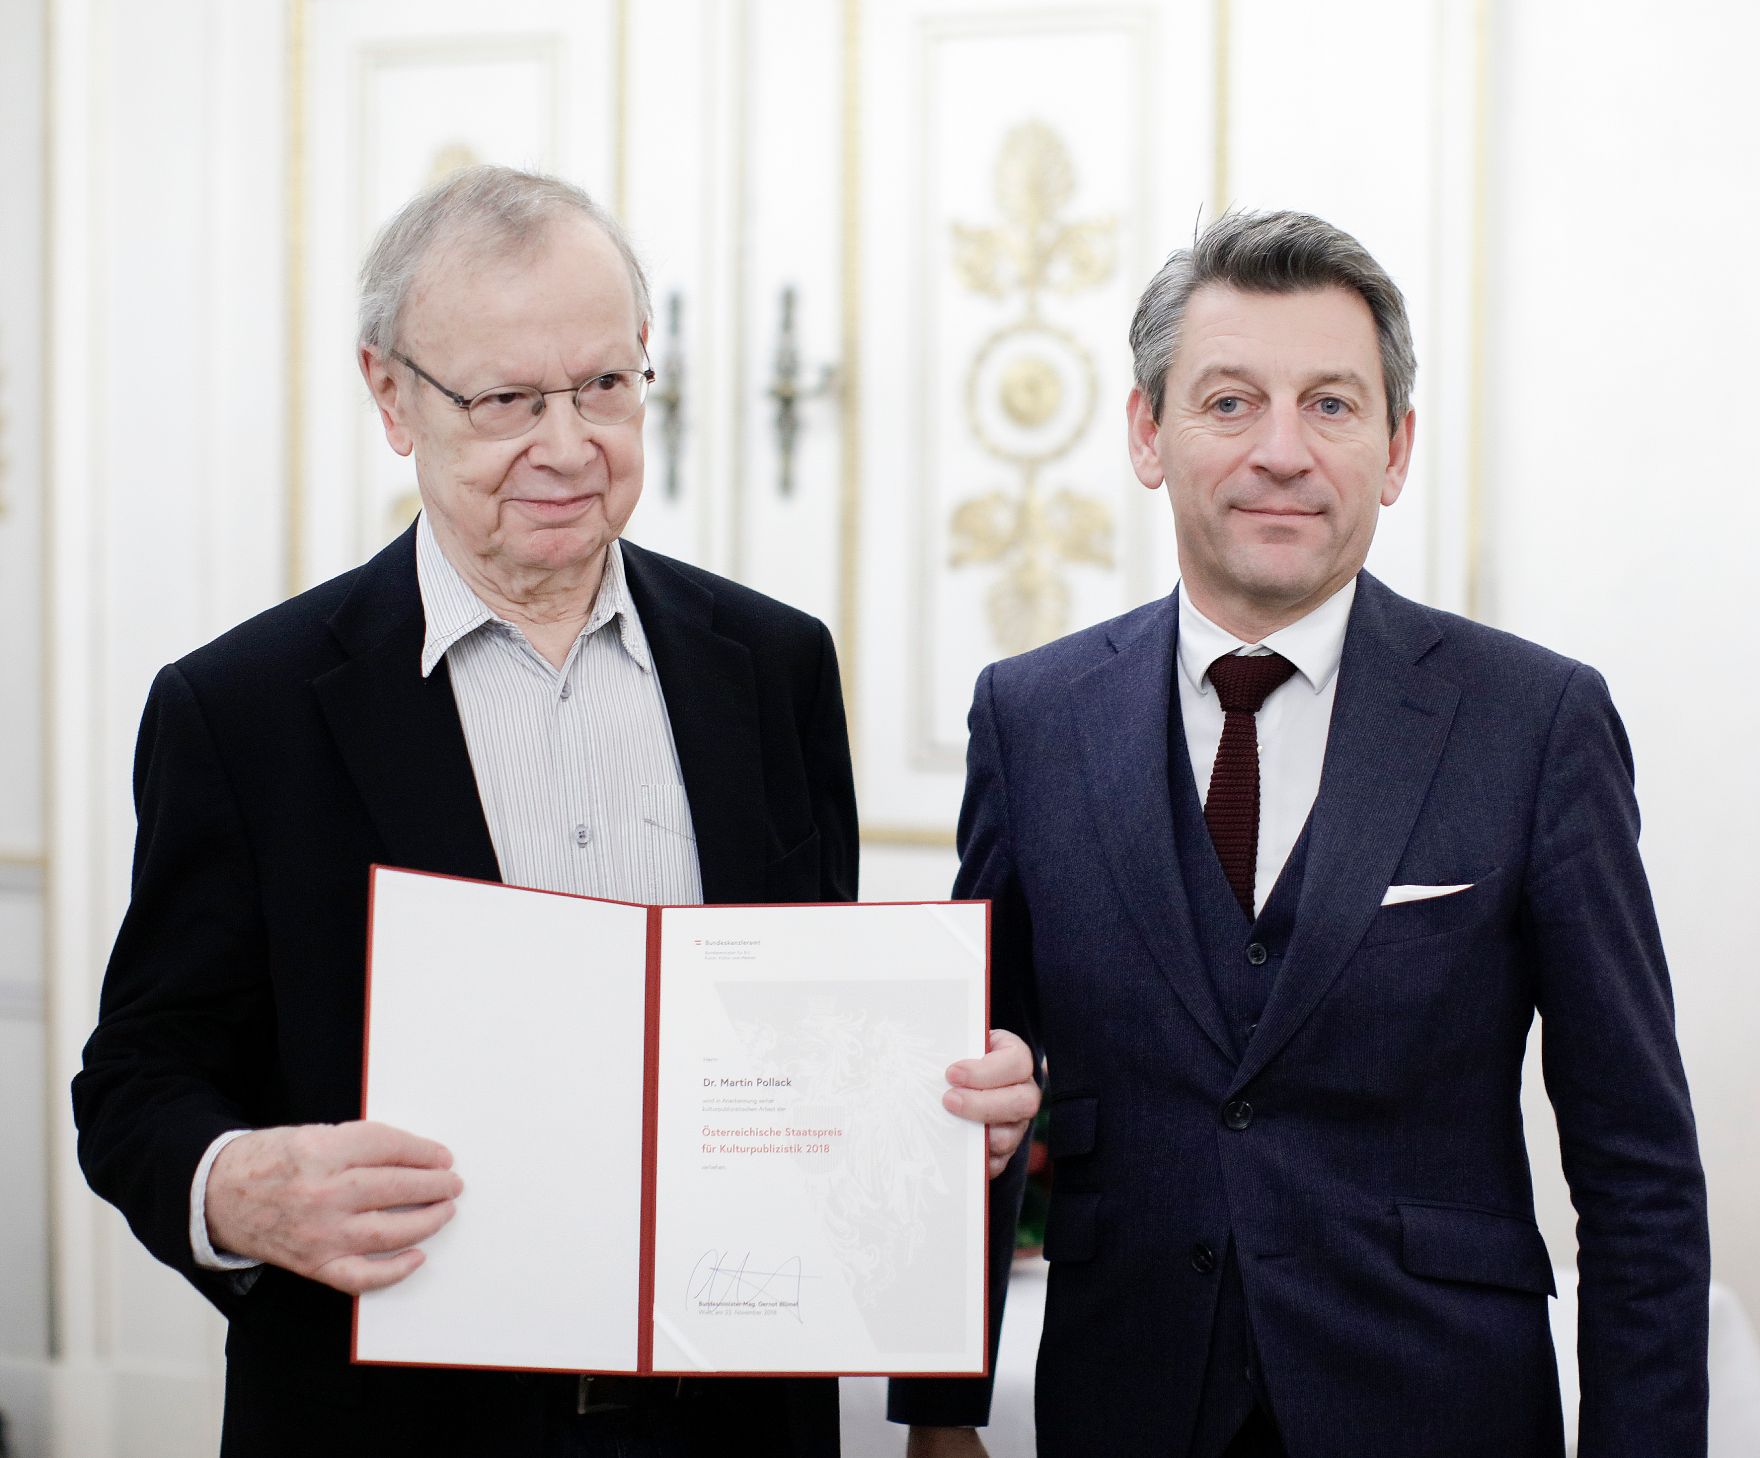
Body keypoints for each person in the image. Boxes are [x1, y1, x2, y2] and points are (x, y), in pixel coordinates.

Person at [72, 165, 1038, 1458]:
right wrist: (230, 1189)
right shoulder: (239, 710)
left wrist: (941, 1110)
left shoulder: (775, 666)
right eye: (509, 400)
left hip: (736, 1427)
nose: (571, 443)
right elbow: (135, 1082)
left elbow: (815, 1044)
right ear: (389, 393)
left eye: (605, 384)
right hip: (391, 1427)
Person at [892, 211, 1710, 1457]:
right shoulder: (1030, 717)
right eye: (1229, 402)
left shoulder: (1534, 721)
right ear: (1144, 433)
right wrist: (939, 1412)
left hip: (1438, 1405)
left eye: (1329, 405)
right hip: (1126, 1401)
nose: (1281, 450)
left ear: (1393, 448)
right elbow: (974, 1087)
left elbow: (1636, 1165)